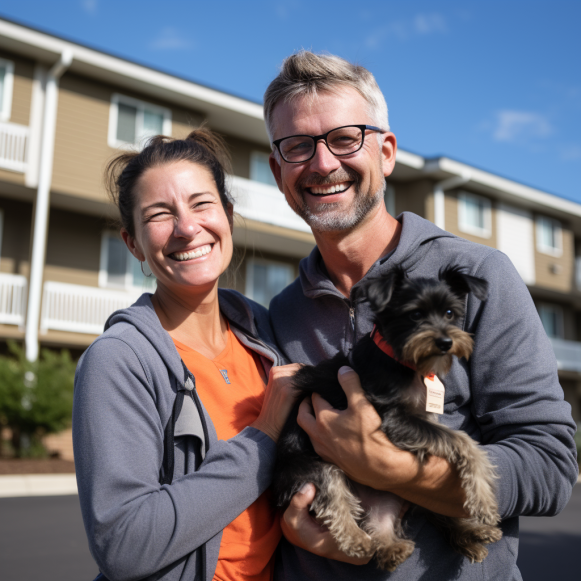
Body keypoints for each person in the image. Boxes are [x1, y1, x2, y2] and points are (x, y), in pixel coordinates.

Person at [265, 51, 579, 580]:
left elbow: (551, 467)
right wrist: (292, 527)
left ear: (386, 152)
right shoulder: (280, 312)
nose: (322, 164)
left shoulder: (478, 272)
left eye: (345, 138)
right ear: (278, 171)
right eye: (298, 146)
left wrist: (393, 468)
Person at [72, 129, 299, 581]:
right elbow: (124, 543)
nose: (187, 227)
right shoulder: (119, 361)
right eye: (159, 214)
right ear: (133, 242)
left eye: (201, 204)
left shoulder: (265, 336)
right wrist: (265, 435)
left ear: (228, 217)